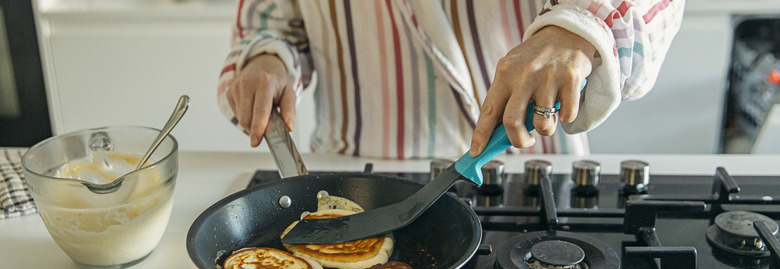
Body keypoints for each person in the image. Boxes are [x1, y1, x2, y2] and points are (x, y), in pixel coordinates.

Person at [217, 1, 685, 158]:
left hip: (529, 165)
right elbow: (271, 23)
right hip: (355, 175)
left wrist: (578, 27)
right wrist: (268, 60)